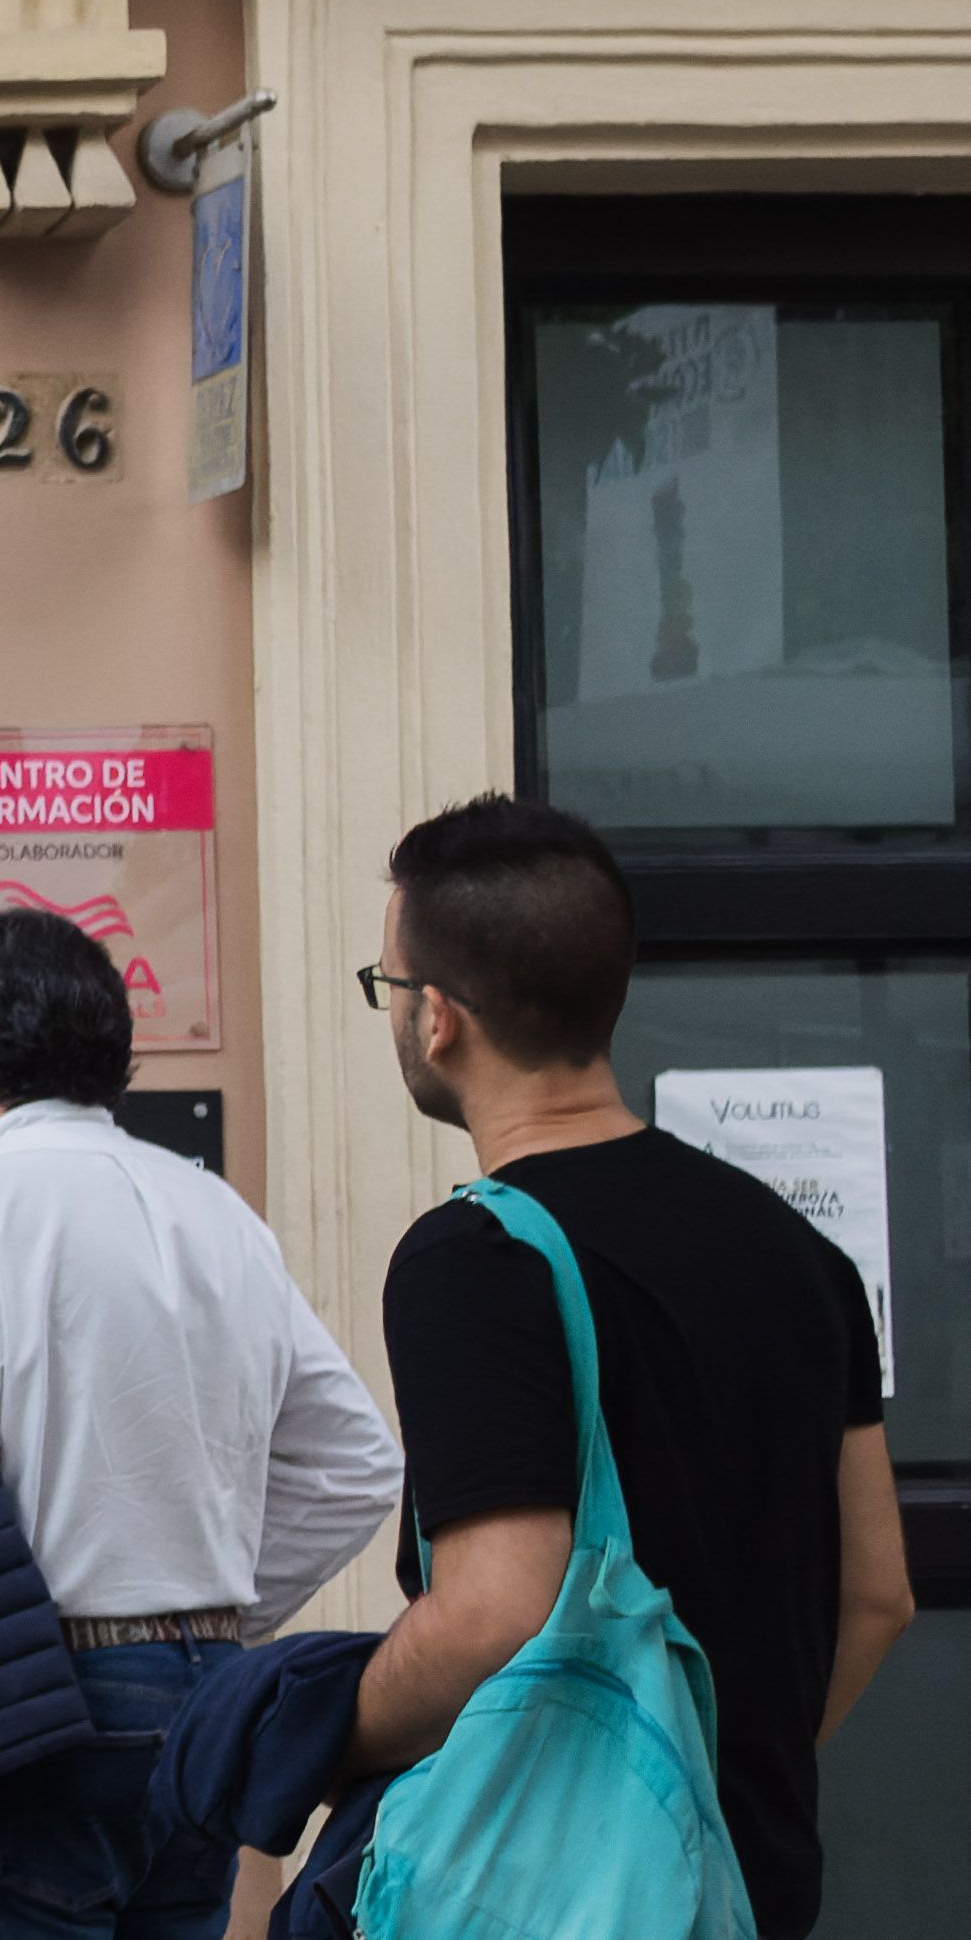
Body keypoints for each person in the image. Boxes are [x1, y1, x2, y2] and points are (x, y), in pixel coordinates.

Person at [344, 796, 916, 1940]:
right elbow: (878, 1593)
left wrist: (326, 1731)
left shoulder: (476, 1257)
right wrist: (698, 1781)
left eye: (389, 986)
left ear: (438, 1018)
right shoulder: (802, 1255)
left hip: (562, 1900)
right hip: (750, 1884)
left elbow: (493, 1611)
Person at [0, 908, 403, 1940]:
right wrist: (212, 1612)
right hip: (209, 1698)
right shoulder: (216, 1213)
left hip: (28, 1700)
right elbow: (354, 1462)